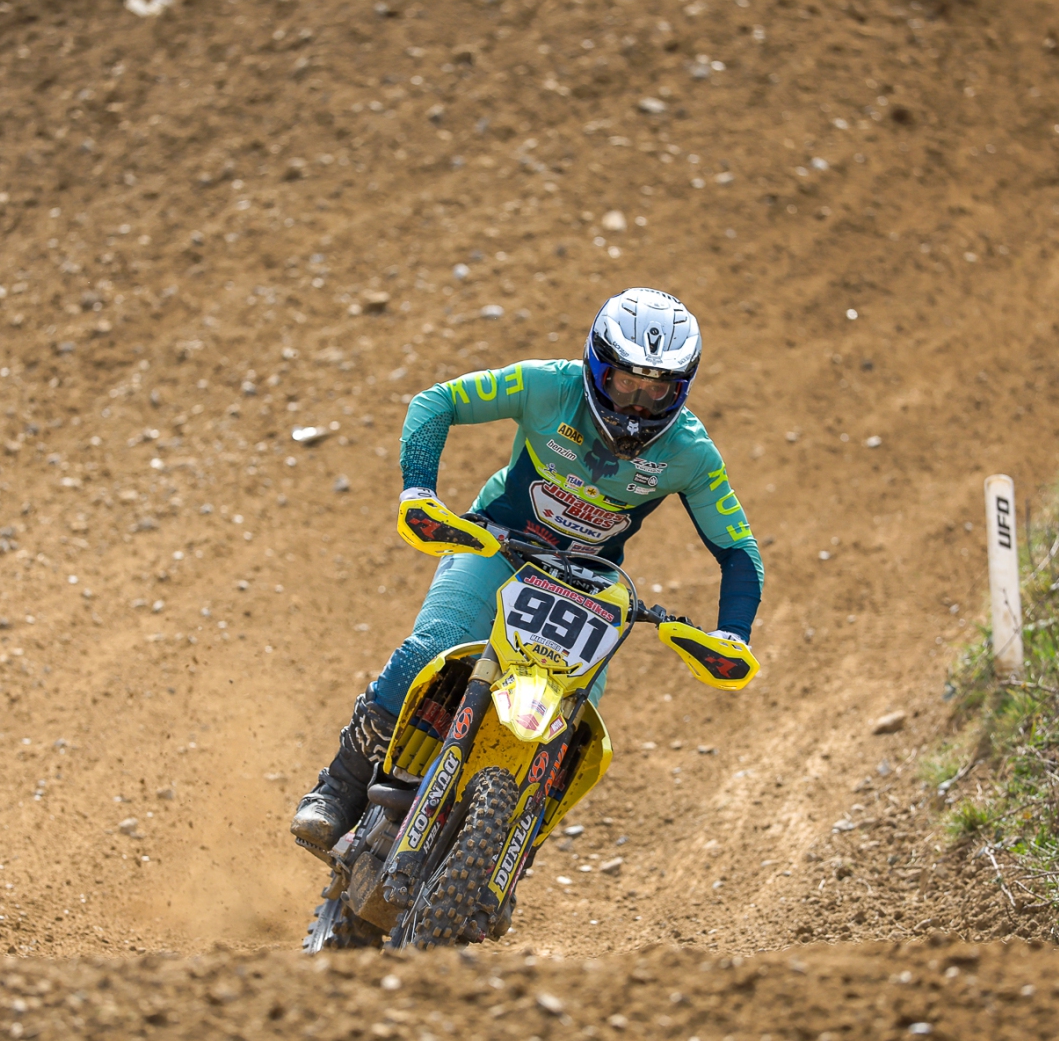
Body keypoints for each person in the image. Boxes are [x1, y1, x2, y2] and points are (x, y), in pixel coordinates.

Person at [290, 287, 764, 853]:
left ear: (680, 389)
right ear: (597, 367)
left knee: (574, 726)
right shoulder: (546, 386)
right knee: (433, 649)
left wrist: (733, 634)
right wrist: (419, 491)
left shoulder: (691, 453)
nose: (637, 404)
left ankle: (509, 855)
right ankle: (337, 790)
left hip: (588, 582)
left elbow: (738, 549)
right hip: (497, 544)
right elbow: (437, 401)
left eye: (656, 389)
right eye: (625, 383)